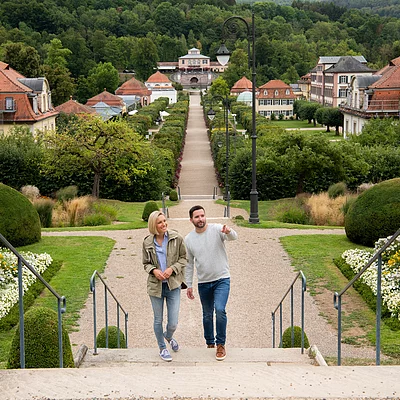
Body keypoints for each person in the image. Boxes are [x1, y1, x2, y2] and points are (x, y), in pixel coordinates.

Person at [185, 205, 238, 361]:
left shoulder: (216, 229)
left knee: (220, 309)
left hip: (222, 278)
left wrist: (229, 231)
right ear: (191, 220)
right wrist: (189, 284)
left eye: (202, 215)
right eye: (197, 217)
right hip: (204, 282)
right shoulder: (189, 239)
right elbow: (189, 263)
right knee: (207, 315)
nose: (200, 219)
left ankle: (221, 344)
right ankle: (210, 343)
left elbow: (233, 237)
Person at [142, 210, 187, 362]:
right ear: (153, 225)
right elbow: (145, 264)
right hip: (156, 287)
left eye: (164, 221)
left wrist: (171, 269)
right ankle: (162, 348)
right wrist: (154, 270)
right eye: (160, 222)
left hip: (173, 285)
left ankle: (168, 337)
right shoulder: (147, 242)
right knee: (157, 320)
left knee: (173, 322)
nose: (164, 224)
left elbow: (183, 259)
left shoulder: (176, 238)